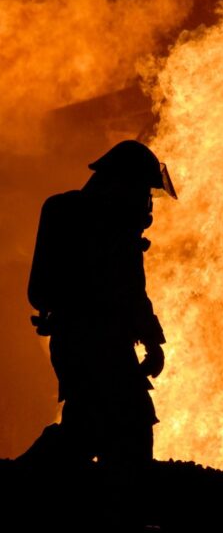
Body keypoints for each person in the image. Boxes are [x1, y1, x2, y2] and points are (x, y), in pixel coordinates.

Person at [27, 140, 177, 470]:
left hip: (81, 344)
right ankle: (28, 482)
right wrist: (153, 341)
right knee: (124, 423)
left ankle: (38, 485)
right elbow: (130, 292)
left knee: (90, 426)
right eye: (144, 190)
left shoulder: (75, 215)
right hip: (96, 345)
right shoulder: (110, 229)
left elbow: (130, 293)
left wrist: (150, 338)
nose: (147, 202)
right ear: (123, 183)